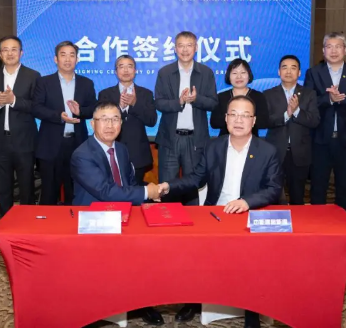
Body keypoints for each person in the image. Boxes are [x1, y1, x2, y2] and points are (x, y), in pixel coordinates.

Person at [158, 95, 283, 327]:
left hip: (248, 217)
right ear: (226, 119)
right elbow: (196, 178)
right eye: (233, 114)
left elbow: (273, 189)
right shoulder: (214, 146)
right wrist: (168, 186)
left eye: (245, 115)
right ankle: (194, 301)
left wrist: (247, 202)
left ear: (254, 121)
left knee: (252, 264)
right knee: (194, 257)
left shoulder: (267, 151)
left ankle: (251, 314)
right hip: (215, 215)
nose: (239, 120)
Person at [70, 101, 163, 326]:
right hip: (95, 219)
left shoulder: (121, 149)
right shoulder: (82, 154)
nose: (110, 125)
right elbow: (105, 191)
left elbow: (129, 184)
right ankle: (96, 310)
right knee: (100, 272)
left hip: (123, 213)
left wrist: (150, 194)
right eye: (104, 120)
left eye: (115, 119)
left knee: (144, 257)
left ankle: (142, 303)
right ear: (92, 124)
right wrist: (146, 192)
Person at [304, 32, 346, 213]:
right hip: (320, 140)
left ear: (345, 50)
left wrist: (343, 99)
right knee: (318, 186)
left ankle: (343, 226)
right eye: (329, 47)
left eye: (338, 47)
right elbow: (308, 102)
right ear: (323, 50)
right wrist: (329, 99)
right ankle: (317, 225)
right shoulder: (313, 73)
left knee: (345, 187)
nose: (333, 51)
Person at [155, 31, 218, 205]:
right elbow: (159, 103)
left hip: (195, 139)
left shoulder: (205, 72)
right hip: (170, 139)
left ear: (196, 48)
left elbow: (213, 103)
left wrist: (196, 99)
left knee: (192, 186)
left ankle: (192, 220)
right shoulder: (165, 72)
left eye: (189, 45)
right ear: (175, 49)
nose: (185, 50)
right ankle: (167, 219)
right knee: (167, 186)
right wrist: (180, 102)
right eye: (181, 46)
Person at [0, 37, 40, 220]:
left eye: (14, 49)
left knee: (27, 189)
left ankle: (27, 227)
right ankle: (6, 226)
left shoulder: (33, 76)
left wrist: (13, 101)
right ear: (0, 54)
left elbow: (37, 106)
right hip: (0, 142)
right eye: (5, 49)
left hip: (24, 142)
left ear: (21, 53)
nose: (10, 53)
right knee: (3, 190)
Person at [33, 41, 96, 205]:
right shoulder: (44, 82)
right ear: (56, 59)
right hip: (50, 144)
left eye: (72, 55)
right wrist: (59, 116)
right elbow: (36, 108)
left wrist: (80, 111)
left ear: (77, 59)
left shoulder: (86, 83)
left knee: (75, 191)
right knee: (49, 192)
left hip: (77, 143)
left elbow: (93, 109)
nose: (68, 59)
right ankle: (48, 221)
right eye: (63, 55)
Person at [263, 55, 320, 205]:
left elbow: (314, 121)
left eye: (293, 68)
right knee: (273, 196)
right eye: (284, 67)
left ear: (299, 73)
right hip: (275, 152)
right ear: (279, 72)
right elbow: (264, 121)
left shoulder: (309, 94)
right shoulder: (268, 94)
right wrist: (286, 115)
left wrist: (296, 112)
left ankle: (298, 220)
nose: (288, 71)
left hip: (300, 153)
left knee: (297, 197)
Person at [98, 55, 157, 185]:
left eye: (129, 66)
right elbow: (101, 121)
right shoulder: (105, 94)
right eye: (121, 67)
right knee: (114, 192)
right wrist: (119, 107)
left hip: (138, 154)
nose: (126, 70)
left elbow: (152, 120)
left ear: (135, 71)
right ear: (115, 71)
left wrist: (135, 104)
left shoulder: (146, 94)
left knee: (136, 191)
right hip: (111, 151)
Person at [210, 58, 267, 136]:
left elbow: (264, 123)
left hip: (251, 140)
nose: (239, 76)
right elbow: (214, 123)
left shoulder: (258, 96)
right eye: (234, 73)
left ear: (249, 75)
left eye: (243, 72)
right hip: (226, 140)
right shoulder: (221, 97)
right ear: (229, 76)